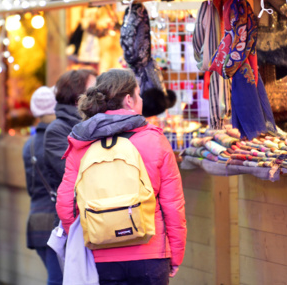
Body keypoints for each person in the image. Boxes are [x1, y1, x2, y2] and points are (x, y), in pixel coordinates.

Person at [56, 68, 187, 285]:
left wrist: (88, 240)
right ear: (128, 100)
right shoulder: (154, 140)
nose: (142, 99)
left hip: (101, 258)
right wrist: (176, 253)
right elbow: (173, 205)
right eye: (139, 94)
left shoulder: (81, 143)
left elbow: (66, 205)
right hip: (150, 255)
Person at [22, 86, 62, 285]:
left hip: (36, 219)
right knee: (58, 279)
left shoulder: (28, 145)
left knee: (55, 277)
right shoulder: (60, 139)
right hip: (57, 223)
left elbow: (31, 189)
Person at [42, 69, 97, 192]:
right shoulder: (56, 130)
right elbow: (70, 172)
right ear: (77, 97)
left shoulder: (98, 123)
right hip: (75, 208)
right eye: (94, 90)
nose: (100, 95)